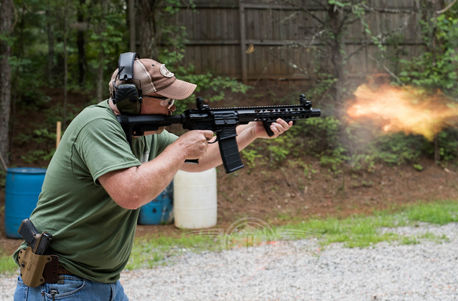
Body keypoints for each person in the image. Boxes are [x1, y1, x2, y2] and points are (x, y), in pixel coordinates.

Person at [13, 55, 292, 300]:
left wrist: (252, 131)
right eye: (166, 100)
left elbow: (199, 159)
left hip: (100, 283)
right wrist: (181, 146)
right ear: (131, 101)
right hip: (61, 284)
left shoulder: (144, 133)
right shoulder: (97, 125)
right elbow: (131, 194)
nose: (172, 108)